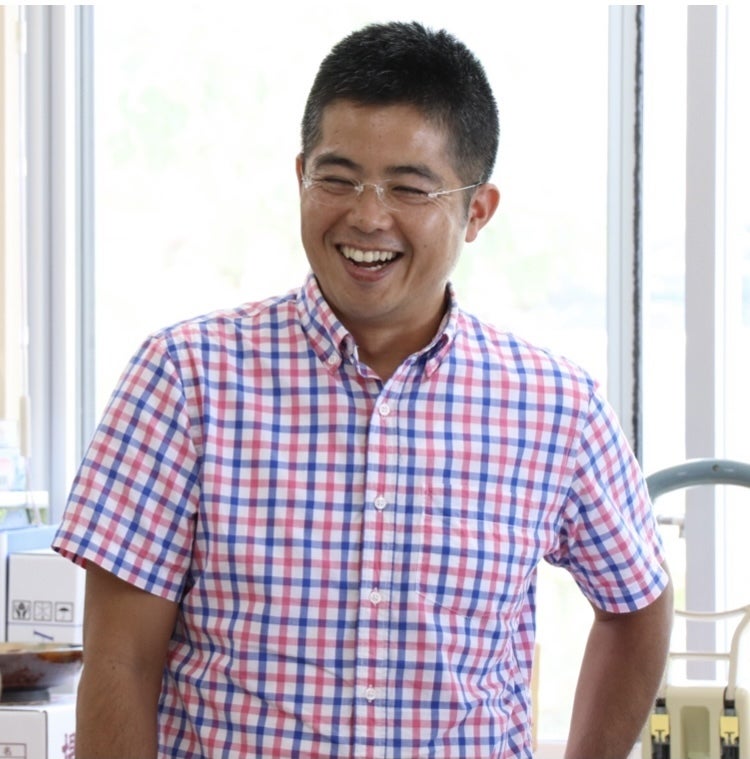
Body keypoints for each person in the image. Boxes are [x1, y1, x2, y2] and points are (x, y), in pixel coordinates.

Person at [53, 20, 673, 759]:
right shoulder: (185, 379)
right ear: (300, 177)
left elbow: (637, 603)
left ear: (477, 211)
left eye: (409, 187)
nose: (367, 215)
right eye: (338, 178)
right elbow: (120, 661)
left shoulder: (556, 406)